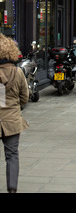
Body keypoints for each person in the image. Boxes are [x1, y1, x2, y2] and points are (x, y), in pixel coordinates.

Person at [0, 34, 29, 193]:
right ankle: (12, 189)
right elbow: (25, 97)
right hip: (11, 120)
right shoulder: (18, 72)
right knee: (12, 155)